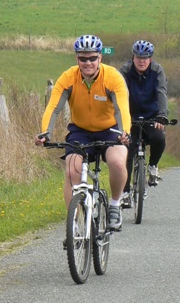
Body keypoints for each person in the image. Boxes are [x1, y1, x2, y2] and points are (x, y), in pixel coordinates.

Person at [35, 34, 130, 232]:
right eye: (83, 58)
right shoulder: (68, 78)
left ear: (100, 58)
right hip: (80, 131)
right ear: (76, 59)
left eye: (92, 58)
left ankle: (114, 204)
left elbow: (122, 108)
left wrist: (124, 132)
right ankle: (75, 222)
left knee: (117, 162)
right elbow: (53, 108)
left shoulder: (112, 78)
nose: (88, 63)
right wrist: (45, 133)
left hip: (110, 131)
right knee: (72, 171)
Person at [119, 40, 168, 208]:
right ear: (133, 57)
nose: (142, 61)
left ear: (151, 59)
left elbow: (161, 92)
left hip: (151, 116)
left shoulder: (157, 70)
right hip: (129, 118)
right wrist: (118, 118)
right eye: (139, 57)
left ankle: (153, 166)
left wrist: (162, 116)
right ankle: (125, 193)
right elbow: (119, 94)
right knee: (126, 152)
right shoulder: (124, 71)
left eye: (145, 58)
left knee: (159, 138)